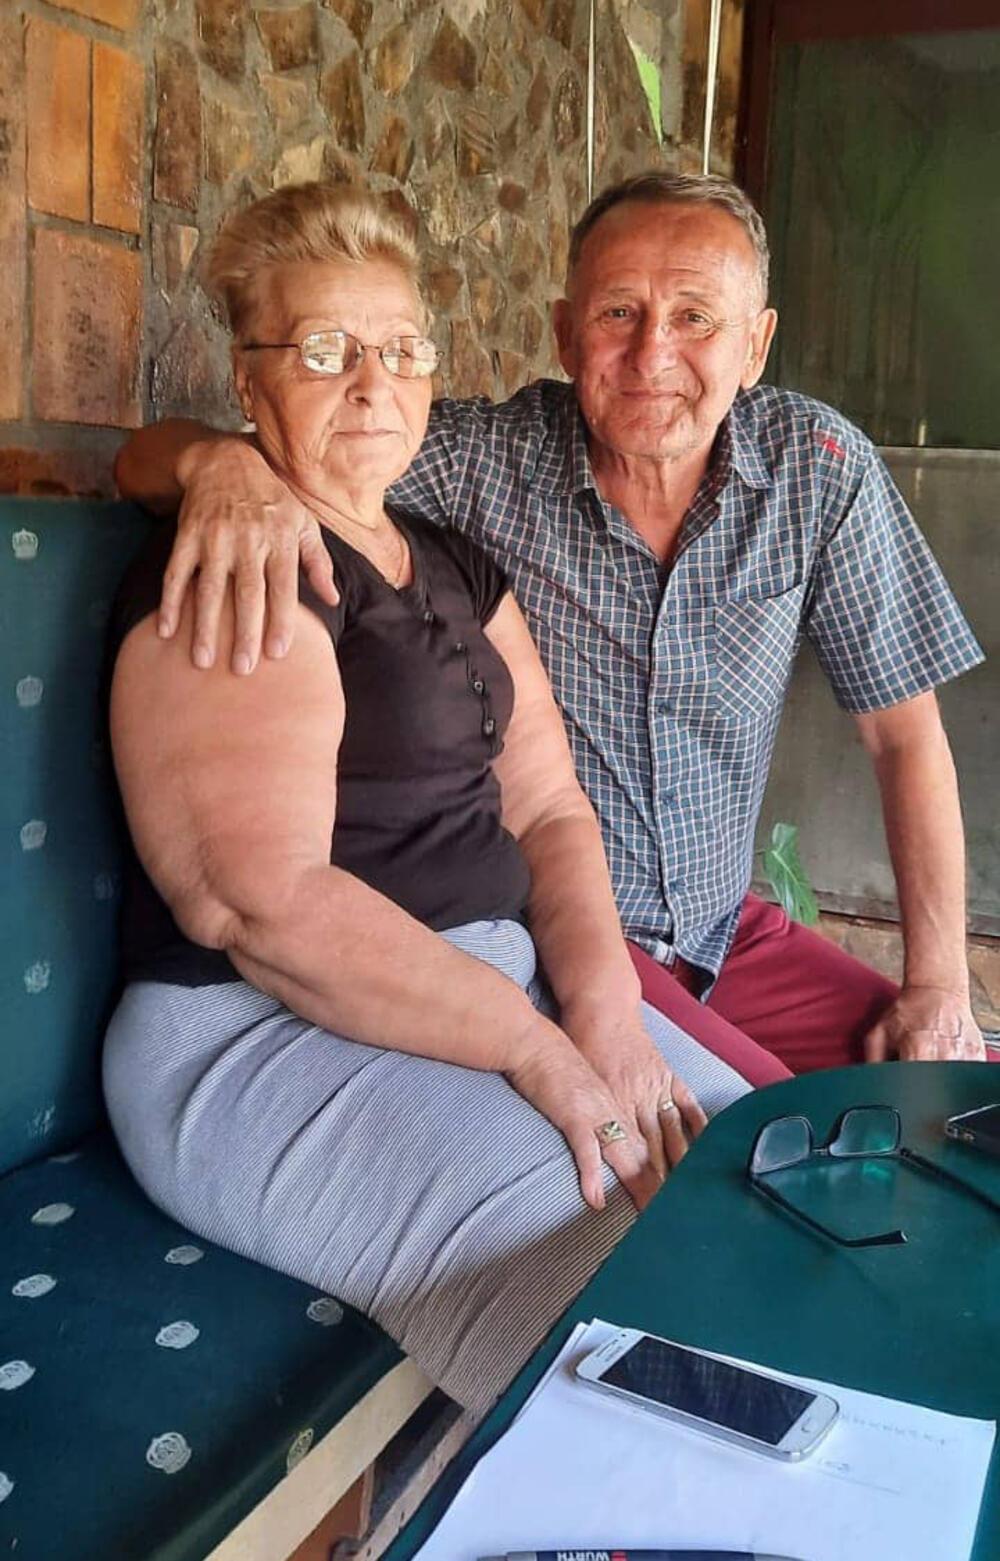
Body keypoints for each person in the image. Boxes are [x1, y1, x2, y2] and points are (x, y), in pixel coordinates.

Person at [104, 183, 751, 1414]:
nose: (372, 385)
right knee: (614, 1282)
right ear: (248, 381)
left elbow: (550, 809)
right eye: (324, 350)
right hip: (257, 1032)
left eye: (401, 350)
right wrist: (539, 1051)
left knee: (760, 1176)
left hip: (483, 984)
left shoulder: (452, 561)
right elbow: (262, 907)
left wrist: (605, 1019)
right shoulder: (244, 559)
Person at [116, 172, 992, 1078]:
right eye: (618, 313)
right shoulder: (481, 458)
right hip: (576, 940)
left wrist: (938, 985)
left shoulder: (818, 468)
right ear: (567, 335)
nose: (652, 354)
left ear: (756, 345)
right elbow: (204, 455)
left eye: (696, 317)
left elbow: (904, 738)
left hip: (724, 931)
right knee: (775, 1140)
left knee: (950, 1099)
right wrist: (216, 465)